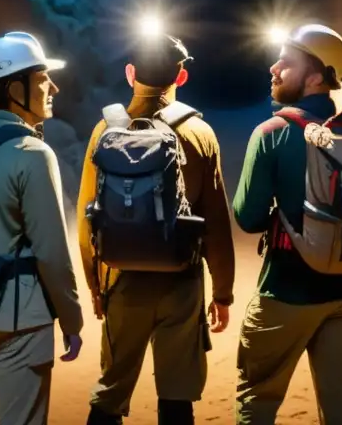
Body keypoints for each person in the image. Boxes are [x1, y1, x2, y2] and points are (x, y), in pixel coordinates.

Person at [77, 32, 237, 425]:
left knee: (111, 392)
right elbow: (216, 224)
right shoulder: (200, 134)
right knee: (177, 395)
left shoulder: (105, 132)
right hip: (180, 282)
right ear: (180, 78)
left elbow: (88, 218)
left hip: (121, 280)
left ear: (131, 73)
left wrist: (96, 287)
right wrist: (223, 292)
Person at [232, 24, 342, 425]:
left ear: (315, 76)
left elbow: (248, 217)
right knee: (341, 408)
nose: (274, 68)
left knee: (256, 399)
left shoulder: (272, 135)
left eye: (286, 62)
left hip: (288, 290)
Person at [0, 31, 84, 425]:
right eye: (42, 78)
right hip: (20, 317)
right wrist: (71, 320)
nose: (53, 87)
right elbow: (52, 252)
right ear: (14, 87)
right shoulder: (33, 154)